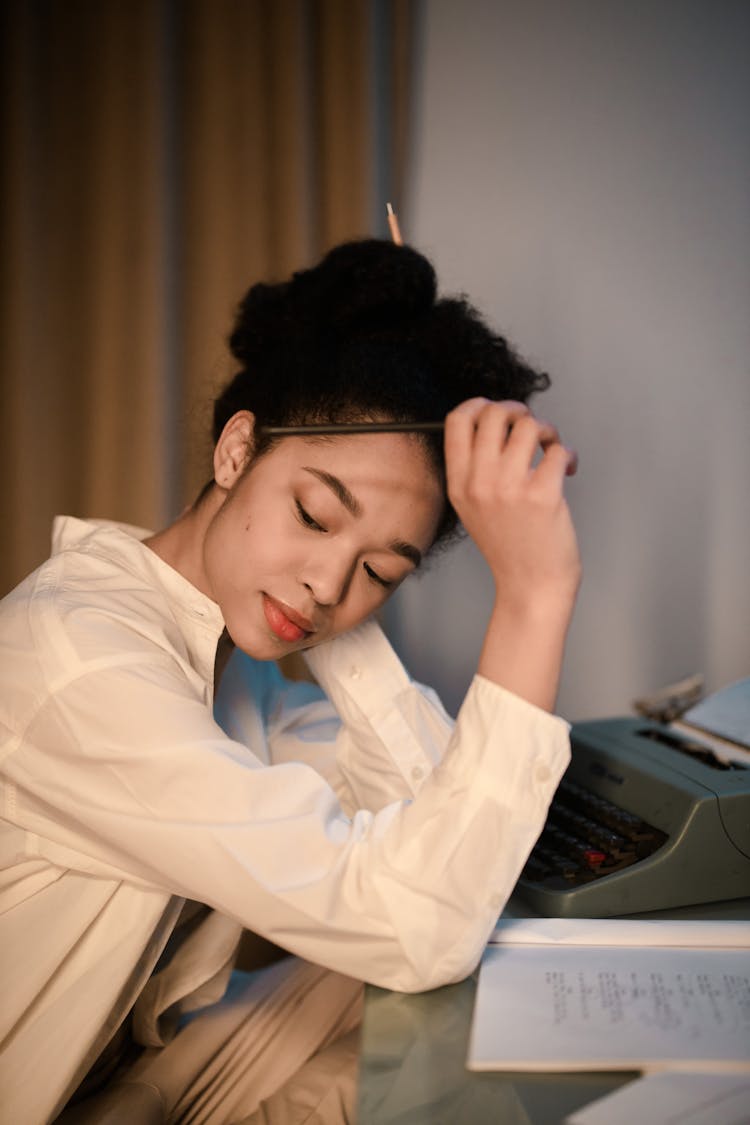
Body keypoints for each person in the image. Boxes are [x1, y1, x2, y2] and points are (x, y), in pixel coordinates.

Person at [0, 239, 580, 1124]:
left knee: (451, 989)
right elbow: (416, 924)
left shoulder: (233, 667)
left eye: (383, 571)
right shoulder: (87, 658)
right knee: (417, 972)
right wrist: (535, 597)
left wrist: (328, 604)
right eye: (312, 512)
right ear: (236, 451)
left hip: (124, 1081)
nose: (330, 583)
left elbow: (451, 854)